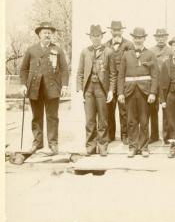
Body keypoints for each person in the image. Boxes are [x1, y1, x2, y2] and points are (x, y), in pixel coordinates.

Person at [20, 21, 69, 155]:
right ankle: (37, 142)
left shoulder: (57, 50)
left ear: (51, 35)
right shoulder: (31, 50)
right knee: (36, 117)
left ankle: (53, 143)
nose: (47, 35)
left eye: (49, 33)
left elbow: (64, 69)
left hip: (52, 88)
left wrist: (64, 86)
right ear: (39, 35)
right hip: (34, 88)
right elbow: (24, 69)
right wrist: (23, 84)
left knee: (52, 117)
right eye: (44, 33)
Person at [117, 27, 158, 158]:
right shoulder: (126, 54)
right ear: (133, 38)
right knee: (131, 121)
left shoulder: (150, 54)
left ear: (144, 38)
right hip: (129, 92)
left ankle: (144, 147)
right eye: (135, 37)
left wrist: (152, 92)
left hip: (145, 92)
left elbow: (155, 75)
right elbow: (120, 76)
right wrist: (120, 93)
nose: (138, 40)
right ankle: (133, 147)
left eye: (140, 38)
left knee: (144, 120)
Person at [76, 24, 116, 157]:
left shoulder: (109, 51)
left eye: (98, 36)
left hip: (101, 88)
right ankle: (90, 146)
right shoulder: (84, 52)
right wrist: (80, 90)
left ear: (102, 36)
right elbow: (80, 73)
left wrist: (111, 90)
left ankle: (103, 146)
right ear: (90, 37)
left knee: (103, 119)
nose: (95, 39)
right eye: (93, 36)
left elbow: (112, 74)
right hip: (88, 89)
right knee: (90, 120)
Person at [104, 20, 132, 144]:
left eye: (118, 30)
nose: (116, 32)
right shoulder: (105, 45)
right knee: (109, 110)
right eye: (114, 30)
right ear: (111, 31)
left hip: (123, 83)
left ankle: (125, 134)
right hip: (110, 83)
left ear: (122, 31)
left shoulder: (129, 45)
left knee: (124, 110)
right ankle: (110, 135)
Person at [150, 28, 172, 143]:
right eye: (158, 37)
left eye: (163, 37)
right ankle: (154, 135)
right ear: (155, 38)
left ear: (166, 38)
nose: (161, 39)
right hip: (153, 84)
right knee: (153, 110)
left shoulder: (171, 51)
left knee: (166, 110)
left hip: (166, 85)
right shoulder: (150, 51)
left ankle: (167, 136)